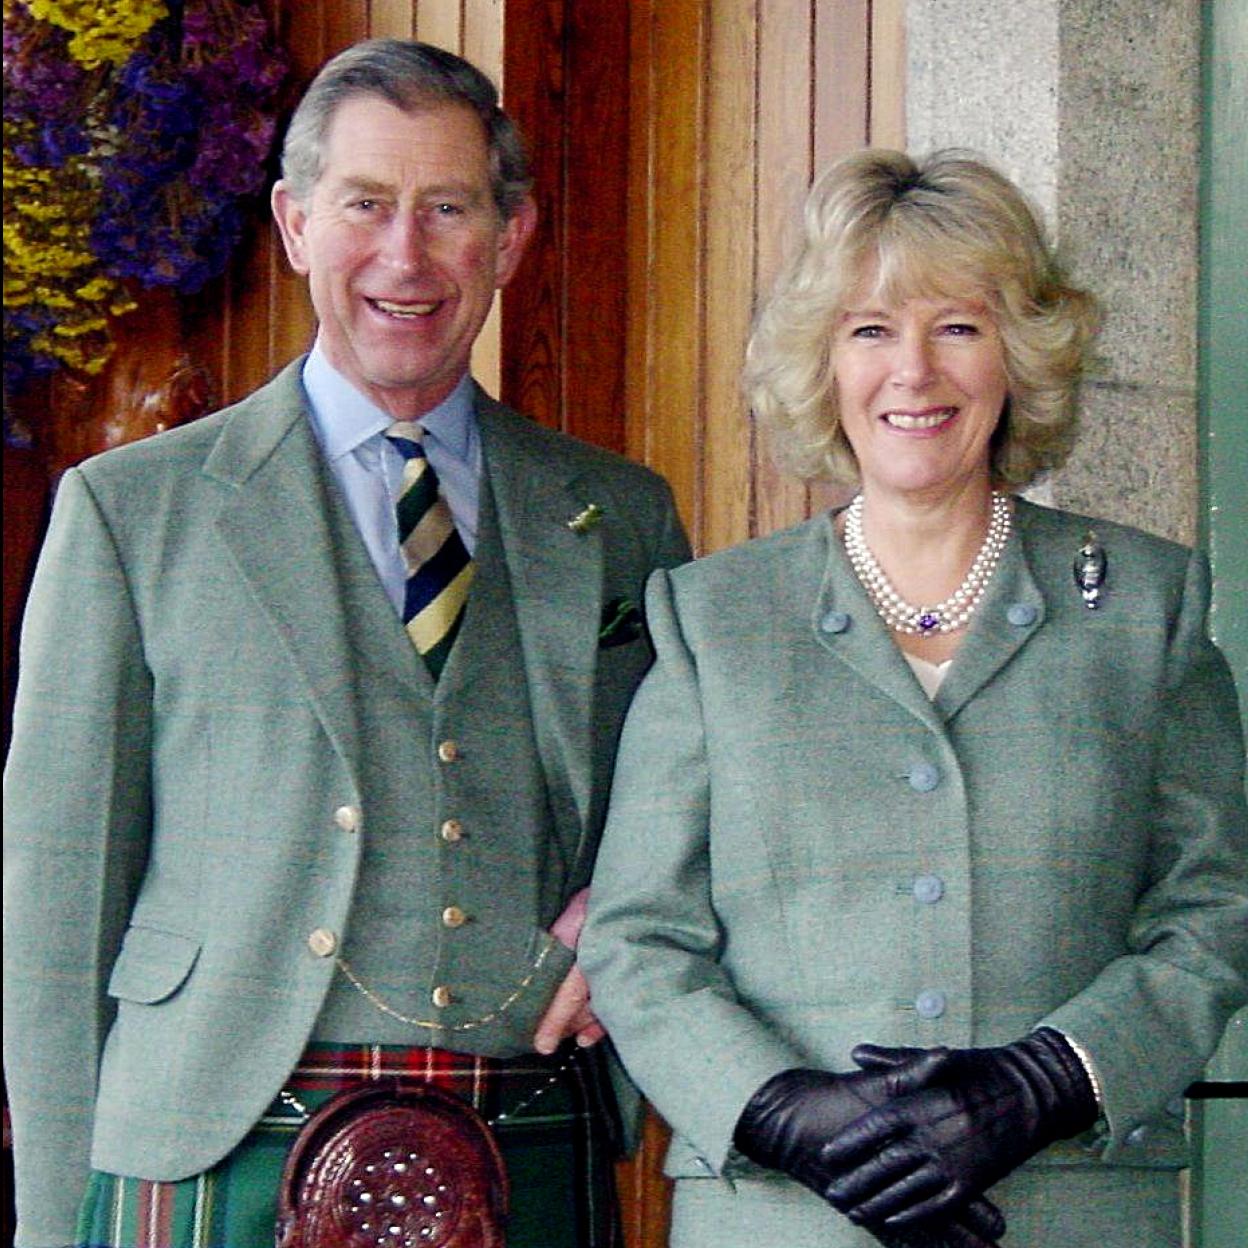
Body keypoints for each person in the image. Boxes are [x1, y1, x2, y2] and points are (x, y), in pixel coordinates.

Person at [2, 39, 690, 1248]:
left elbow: (692, 801)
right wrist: (54, 1222)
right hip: (215, 1136)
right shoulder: (131, 511)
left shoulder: (620, 514)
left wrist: (635, 896)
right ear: (294, 224)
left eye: (448, 209)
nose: (405, 257)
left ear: (511, 237)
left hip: (524, 1124)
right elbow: (58, 904)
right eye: (366, 205)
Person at [579, 149, 1248, 1248]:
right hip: (781, 1220)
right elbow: (639, 939)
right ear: (824, 362)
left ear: (1019, 355)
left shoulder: (1145, 604)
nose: (914, 372)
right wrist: (781, 1112)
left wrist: (1052, 1079)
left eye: (960, 326)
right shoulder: (714, 619)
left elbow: (1214, 913)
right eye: (871, 330)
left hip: (1071, 1213)